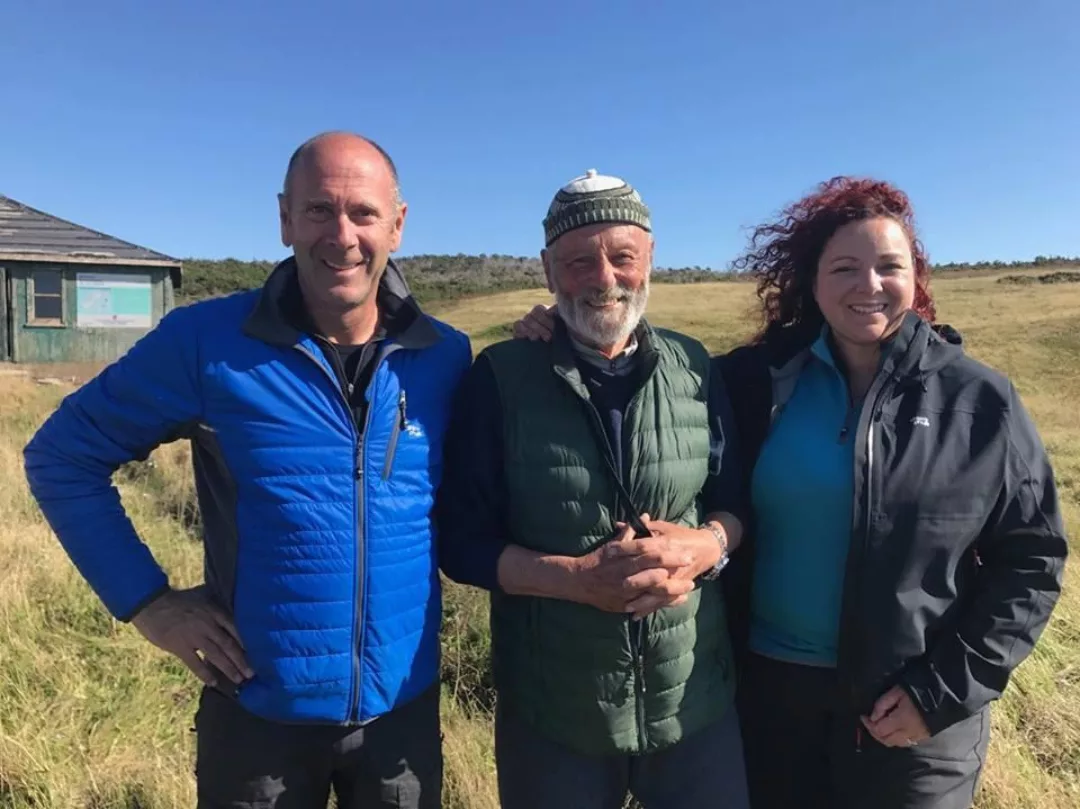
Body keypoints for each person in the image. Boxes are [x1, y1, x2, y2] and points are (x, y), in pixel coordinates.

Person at [510, 176, 1068, 809]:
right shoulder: (757, 380)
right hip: (770, 699)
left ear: (915, 275)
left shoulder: (978, 401)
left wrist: (941, 693)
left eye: (890, 266)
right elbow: (634, 354)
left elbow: (1032, 561)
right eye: (845, 268)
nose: (869, 286)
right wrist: (565, 321)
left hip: (910, 712)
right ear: (814, 280)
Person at [23, 131, 472, 809]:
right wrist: (149, 603)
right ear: (285, 218)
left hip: (399, 723)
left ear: (398, 226)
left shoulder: (445, 356)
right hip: (258, 724)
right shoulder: (207, 343)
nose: (342, 235)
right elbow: (63, 455)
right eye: (319, 210)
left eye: (364, 213)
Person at [437, 169, 751, 809]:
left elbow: (739, 503)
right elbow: (461, 543)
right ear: (548, 270)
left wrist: (708, 546)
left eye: (622, 257)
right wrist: (576, 579)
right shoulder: (498, 378)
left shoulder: (695, 367)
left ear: (651, 260)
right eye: (579, 262)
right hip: (555, 714)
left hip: (693, 703)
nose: (604, 279)